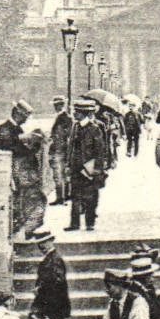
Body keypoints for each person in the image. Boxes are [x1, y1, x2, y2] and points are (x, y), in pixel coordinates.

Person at [0, 100, 47, 239]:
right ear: (17, 114)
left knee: (28, 200)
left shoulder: (16, 129)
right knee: (32, 199)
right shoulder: (4, 128)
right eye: (24, 117)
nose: (25, 120)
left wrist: (34, 143)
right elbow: (10, 146)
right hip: (19, 172)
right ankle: (25, 231)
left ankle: (27, 230)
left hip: (24, 171)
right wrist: (27, 139)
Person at [66, 97, 108, 232]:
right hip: (76, 167)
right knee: (75, 195)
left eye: (76, 112)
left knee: (90, 196)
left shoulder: (94, 129)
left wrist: (97, 169)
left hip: (89, 168)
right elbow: (71, 147)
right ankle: (74, 223)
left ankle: (90, 223)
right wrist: (68, 165)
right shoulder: (75, 127)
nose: (74, 114)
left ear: (82, 113)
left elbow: (100, 150)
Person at [27, 227, 70, 319]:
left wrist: (40, 289)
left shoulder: (55, 260)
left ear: (51, 241)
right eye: (39, 244)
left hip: (53, 307)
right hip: (49, 306)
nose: (41, 246)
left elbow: (57, 282)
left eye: (44, 242)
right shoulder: (49, 258)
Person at [47, 95, 73, 206]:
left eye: (58, 105)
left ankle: (61, 197)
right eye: (56, 105)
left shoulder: (64, 118)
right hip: (62, 149)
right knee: (63, 174)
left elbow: (66, 135)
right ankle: (65, 196)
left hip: (60, 149)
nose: (56, 107)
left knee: (58, 174)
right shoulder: (65, 118)